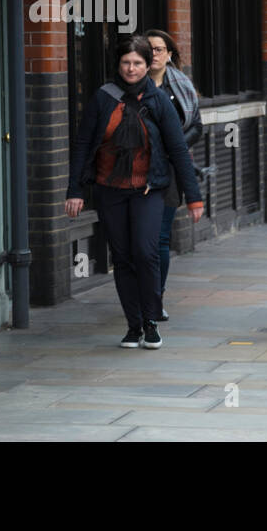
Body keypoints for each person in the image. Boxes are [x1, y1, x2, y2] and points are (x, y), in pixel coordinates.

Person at [66, 36, 203, 349]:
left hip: (149, 189)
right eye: (126, 62)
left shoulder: (158, 101)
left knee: (145, 252)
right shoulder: (103, 97)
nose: (131, 68)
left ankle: (151, 321)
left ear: (147, 65)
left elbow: (178, 150)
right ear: (118, 64)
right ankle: (133, 325)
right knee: (123, 257)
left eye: (138, 63)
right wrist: (75, 190)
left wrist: (194, 197)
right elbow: (84, 144)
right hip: (110, 189)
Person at [143, 28, 203, 322]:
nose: (154, 54)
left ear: (169, 55)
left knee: (161, 238)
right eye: (149, 49)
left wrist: (174, 147)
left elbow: (197, 127)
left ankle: (157, 297)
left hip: (170, 169)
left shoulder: (181, 85)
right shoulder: (132, 86)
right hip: (137, 170)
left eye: (159, 49)